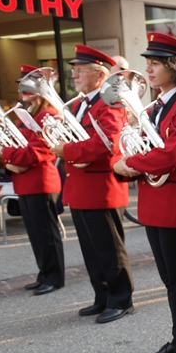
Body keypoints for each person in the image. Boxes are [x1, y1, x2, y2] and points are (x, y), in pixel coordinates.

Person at [113, 32, 176, 353]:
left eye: (155, 63)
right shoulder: (155, 107)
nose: (148, 69)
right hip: (155, 201)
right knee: (169, 278)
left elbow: (172, 154)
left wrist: (132, 164)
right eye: (148, 63)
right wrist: (129, 158)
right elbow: (145, 147)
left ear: (174, 67)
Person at [49, 45, 134, 323]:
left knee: (109, 249)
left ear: (99, 75)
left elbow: (107, 143)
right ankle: (103, 296)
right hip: (81, 187)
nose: (73, 75)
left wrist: (68, 151)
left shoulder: (109, 103)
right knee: (91, 249)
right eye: (73, 70)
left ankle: (121, 299)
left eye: (79, 70)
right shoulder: (79, 104)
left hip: (102, 188)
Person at [0, 66, 64, 295]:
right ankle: (44, 274)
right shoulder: (28, 115)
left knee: (46, 234)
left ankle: (54, 277)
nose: (23, 91)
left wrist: (4, 154)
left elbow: (38, 152)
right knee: (35, 234)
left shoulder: (48, 115)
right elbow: (19, 146)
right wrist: (9, 157)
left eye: (28, 87)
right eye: (21, 86)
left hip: (40, 181)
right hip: (26, 181)